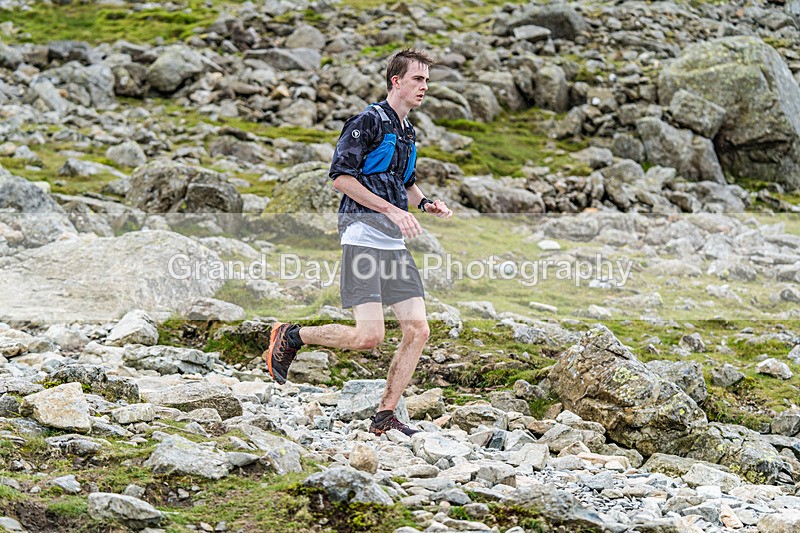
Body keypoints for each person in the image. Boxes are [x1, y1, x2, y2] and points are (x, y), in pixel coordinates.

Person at [263, 49, 453, 437]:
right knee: (369, 337)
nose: (424, 87)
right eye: (418, 79)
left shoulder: (407, 130)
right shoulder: (366, 121)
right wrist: (392, 211)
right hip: (362, 235)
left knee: (418, 330)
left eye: (427, 81)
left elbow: (405, 181)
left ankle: (385, 417)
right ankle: (292, 336)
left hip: (392, 243)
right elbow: (341, 178)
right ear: (396, 81)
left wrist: (425, 203)